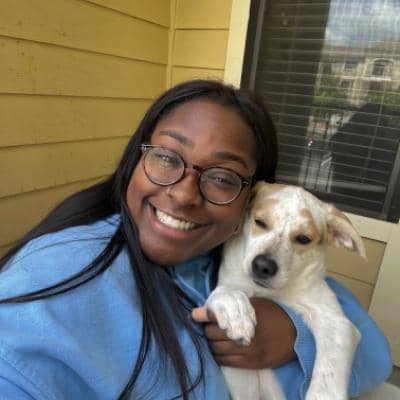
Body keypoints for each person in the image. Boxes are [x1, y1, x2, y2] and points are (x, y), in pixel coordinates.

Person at [0, 80, 392, 399]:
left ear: (246, 200)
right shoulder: (55, 273)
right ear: (136, 159)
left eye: (222, 177)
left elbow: (374, 351)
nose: (184, 194)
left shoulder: (233, 250)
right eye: (166, 157)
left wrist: (295, 335)